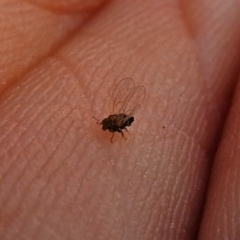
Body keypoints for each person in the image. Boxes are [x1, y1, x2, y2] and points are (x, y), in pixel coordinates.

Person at [0, 0, 239, 239]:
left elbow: (121, 121)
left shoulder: (117, 122)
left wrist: (120, 131)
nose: (103, 125)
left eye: (106, 125)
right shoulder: (110, 121)